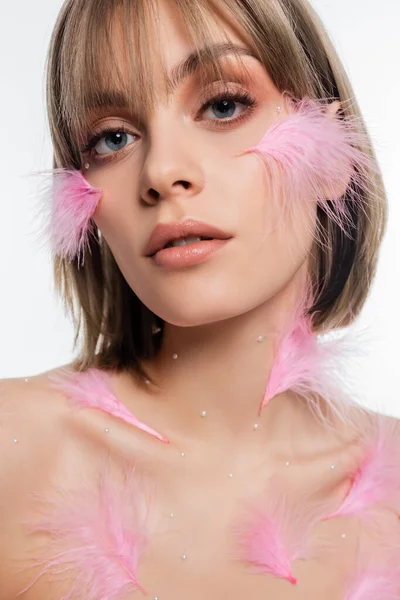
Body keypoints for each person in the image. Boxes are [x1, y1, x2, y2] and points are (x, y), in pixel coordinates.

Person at [0, 0, 398, 598]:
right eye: (113, 138)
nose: (161, 172)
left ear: (333, 155)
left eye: (223, 105)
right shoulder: (16, 451)